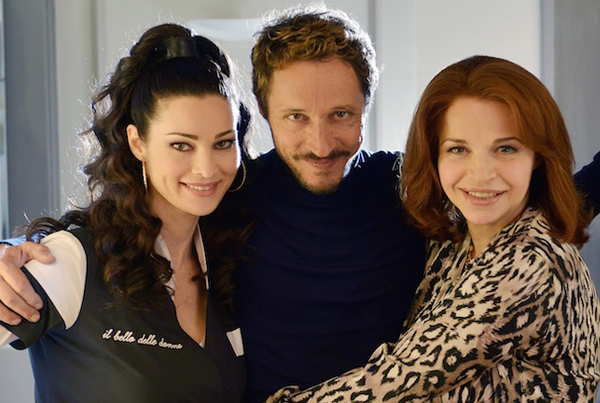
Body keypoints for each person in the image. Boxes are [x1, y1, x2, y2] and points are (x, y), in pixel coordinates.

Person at [0, 5, 599, 403]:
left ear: (366, 107)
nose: (320, 143)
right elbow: (134, 216)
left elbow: (509, 204)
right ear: (263, 113)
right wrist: (16, 252)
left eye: (341, 114)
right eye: (295, 117)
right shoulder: (229, 197)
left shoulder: (409, 192)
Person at [268, 55, 600, 402]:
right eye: (458, 149)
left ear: (537, 156)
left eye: (505, 149)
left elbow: (397, 381)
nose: (481, 174)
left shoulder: (531, 263)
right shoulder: (459, 237)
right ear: (434, 157)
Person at [0, 23, 250, 402]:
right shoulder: (73, 260)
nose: (206, 168)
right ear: (138, 142)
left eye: (223, 143)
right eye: (181, 145)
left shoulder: (226, 256)